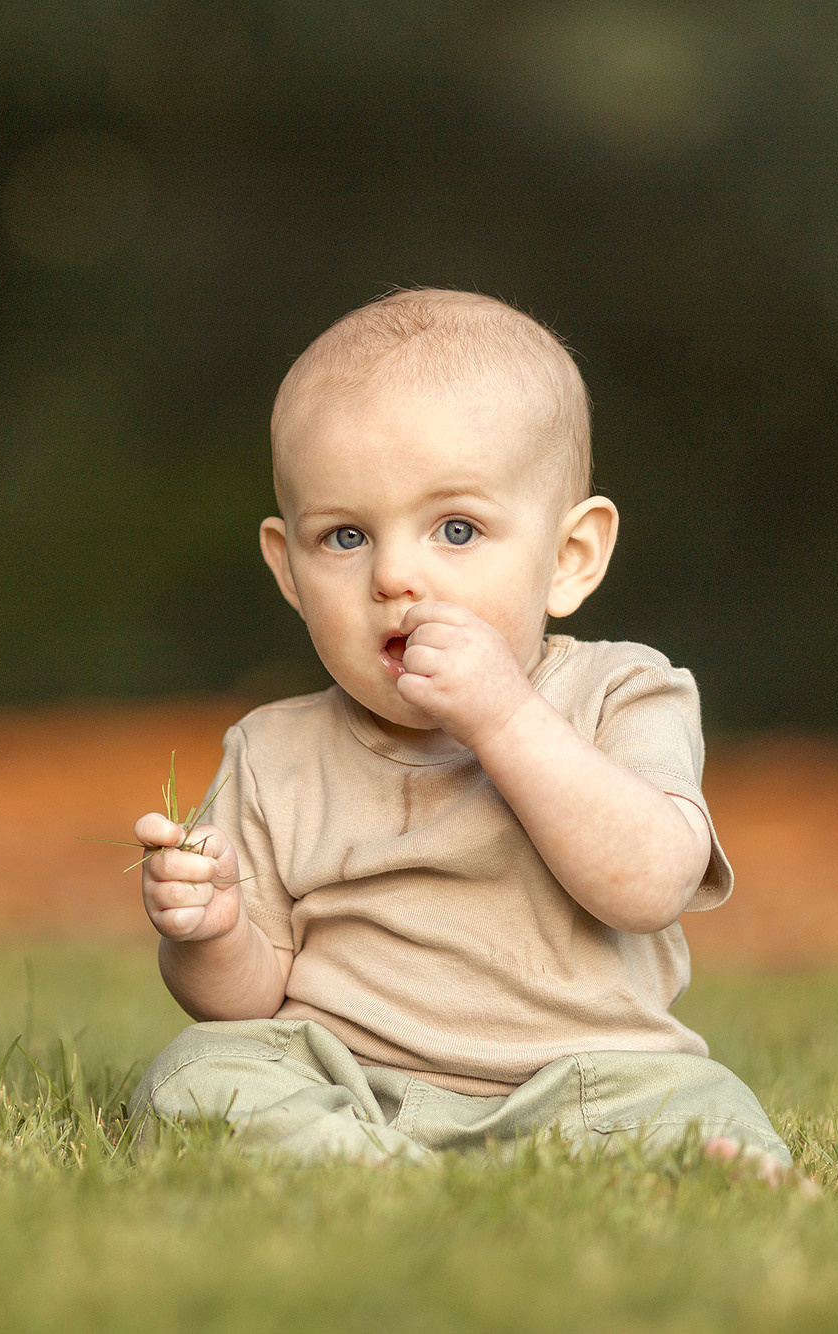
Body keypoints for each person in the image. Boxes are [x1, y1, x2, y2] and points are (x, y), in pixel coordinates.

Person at [127, 288, 792, 1177]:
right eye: (347, 536)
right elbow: (249, 998)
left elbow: (650, 885)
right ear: (289, 572)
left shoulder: (622, 690)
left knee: (701, 1104)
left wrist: (505, 716)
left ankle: (712, 1172)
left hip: (591, 1082)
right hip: (347, 1076)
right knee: (196, 1075)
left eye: (456, 529)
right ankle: (363, 1166)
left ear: (570, 558)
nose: (397, 575)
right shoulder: (273, 751)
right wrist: (207, 934)